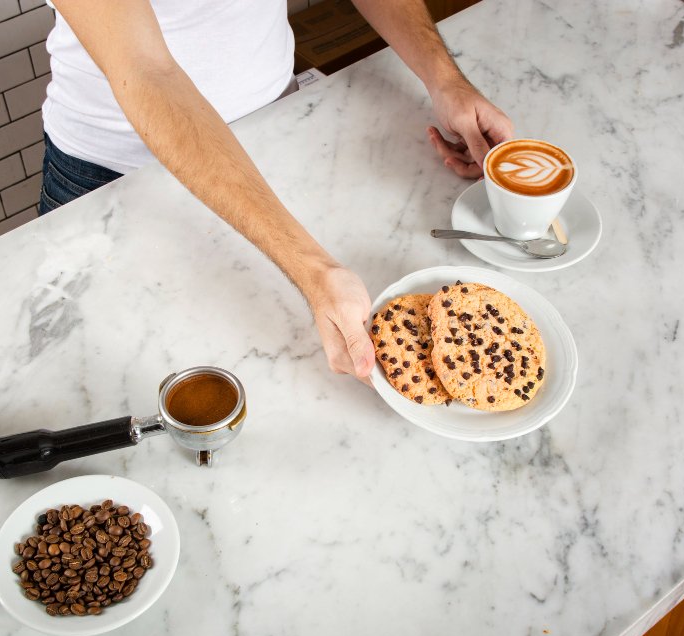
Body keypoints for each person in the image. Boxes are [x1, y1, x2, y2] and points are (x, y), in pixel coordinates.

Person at [40, 0, 513, 384]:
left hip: (279, 138)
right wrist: (315, 270)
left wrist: (444, 77)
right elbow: (146, 70)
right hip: (116, 180)